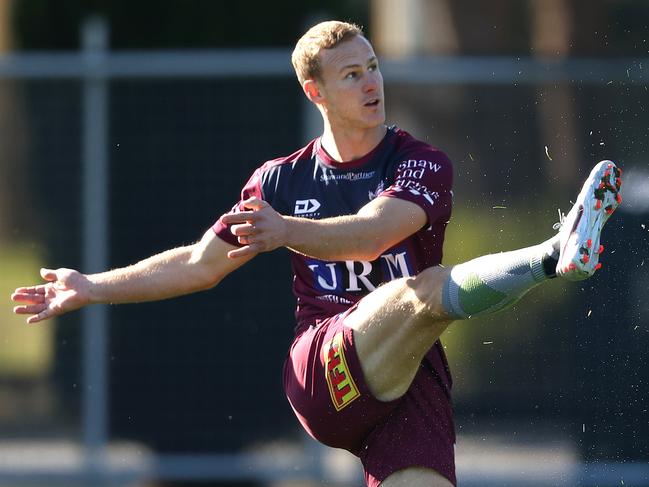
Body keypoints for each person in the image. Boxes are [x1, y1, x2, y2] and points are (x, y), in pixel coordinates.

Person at [11, 21, 622, 487]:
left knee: (420, 301)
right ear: (316, 91)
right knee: (422, 291)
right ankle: (551, 254)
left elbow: (374, 232)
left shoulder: (420, 160)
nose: (372, 83)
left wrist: (286, 234)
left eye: (374, 67)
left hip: (411, 379)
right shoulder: (279, 183)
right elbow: (200, 265)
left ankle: (555, 252)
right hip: (324, 366)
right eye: (351, 75)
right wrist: (90, 285)